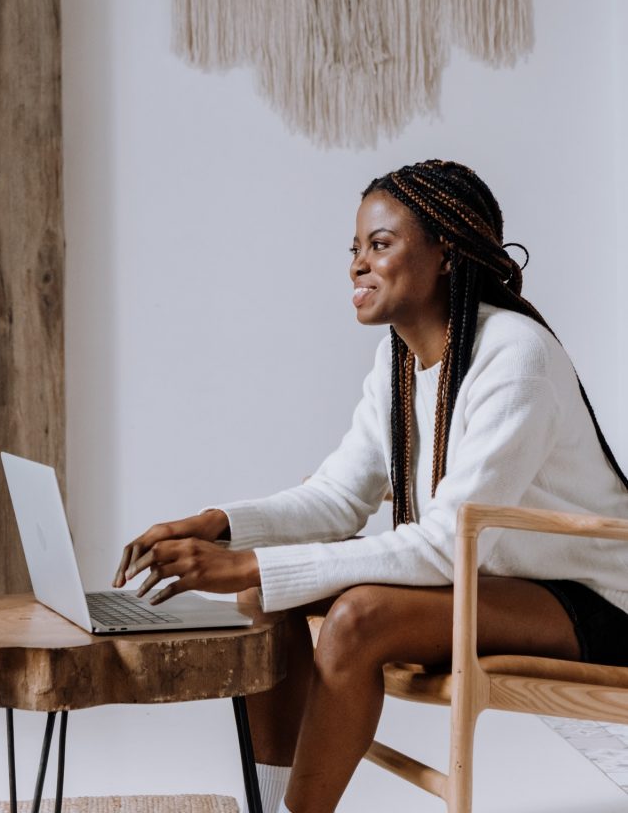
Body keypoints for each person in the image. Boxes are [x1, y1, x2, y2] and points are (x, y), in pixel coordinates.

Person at [114, 159, 628, 813]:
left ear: (445, 252)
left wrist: (247, 561)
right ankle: (269, 805)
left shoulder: (514, 356)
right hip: (493, 579)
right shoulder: (398, 362)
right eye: (354, 249)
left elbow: (443, 544)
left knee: (356, 616)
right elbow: (337, 498)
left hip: (596, 597)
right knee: (265, 598)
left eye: (379, 245)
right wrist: (217, 524)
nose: (357, 264)